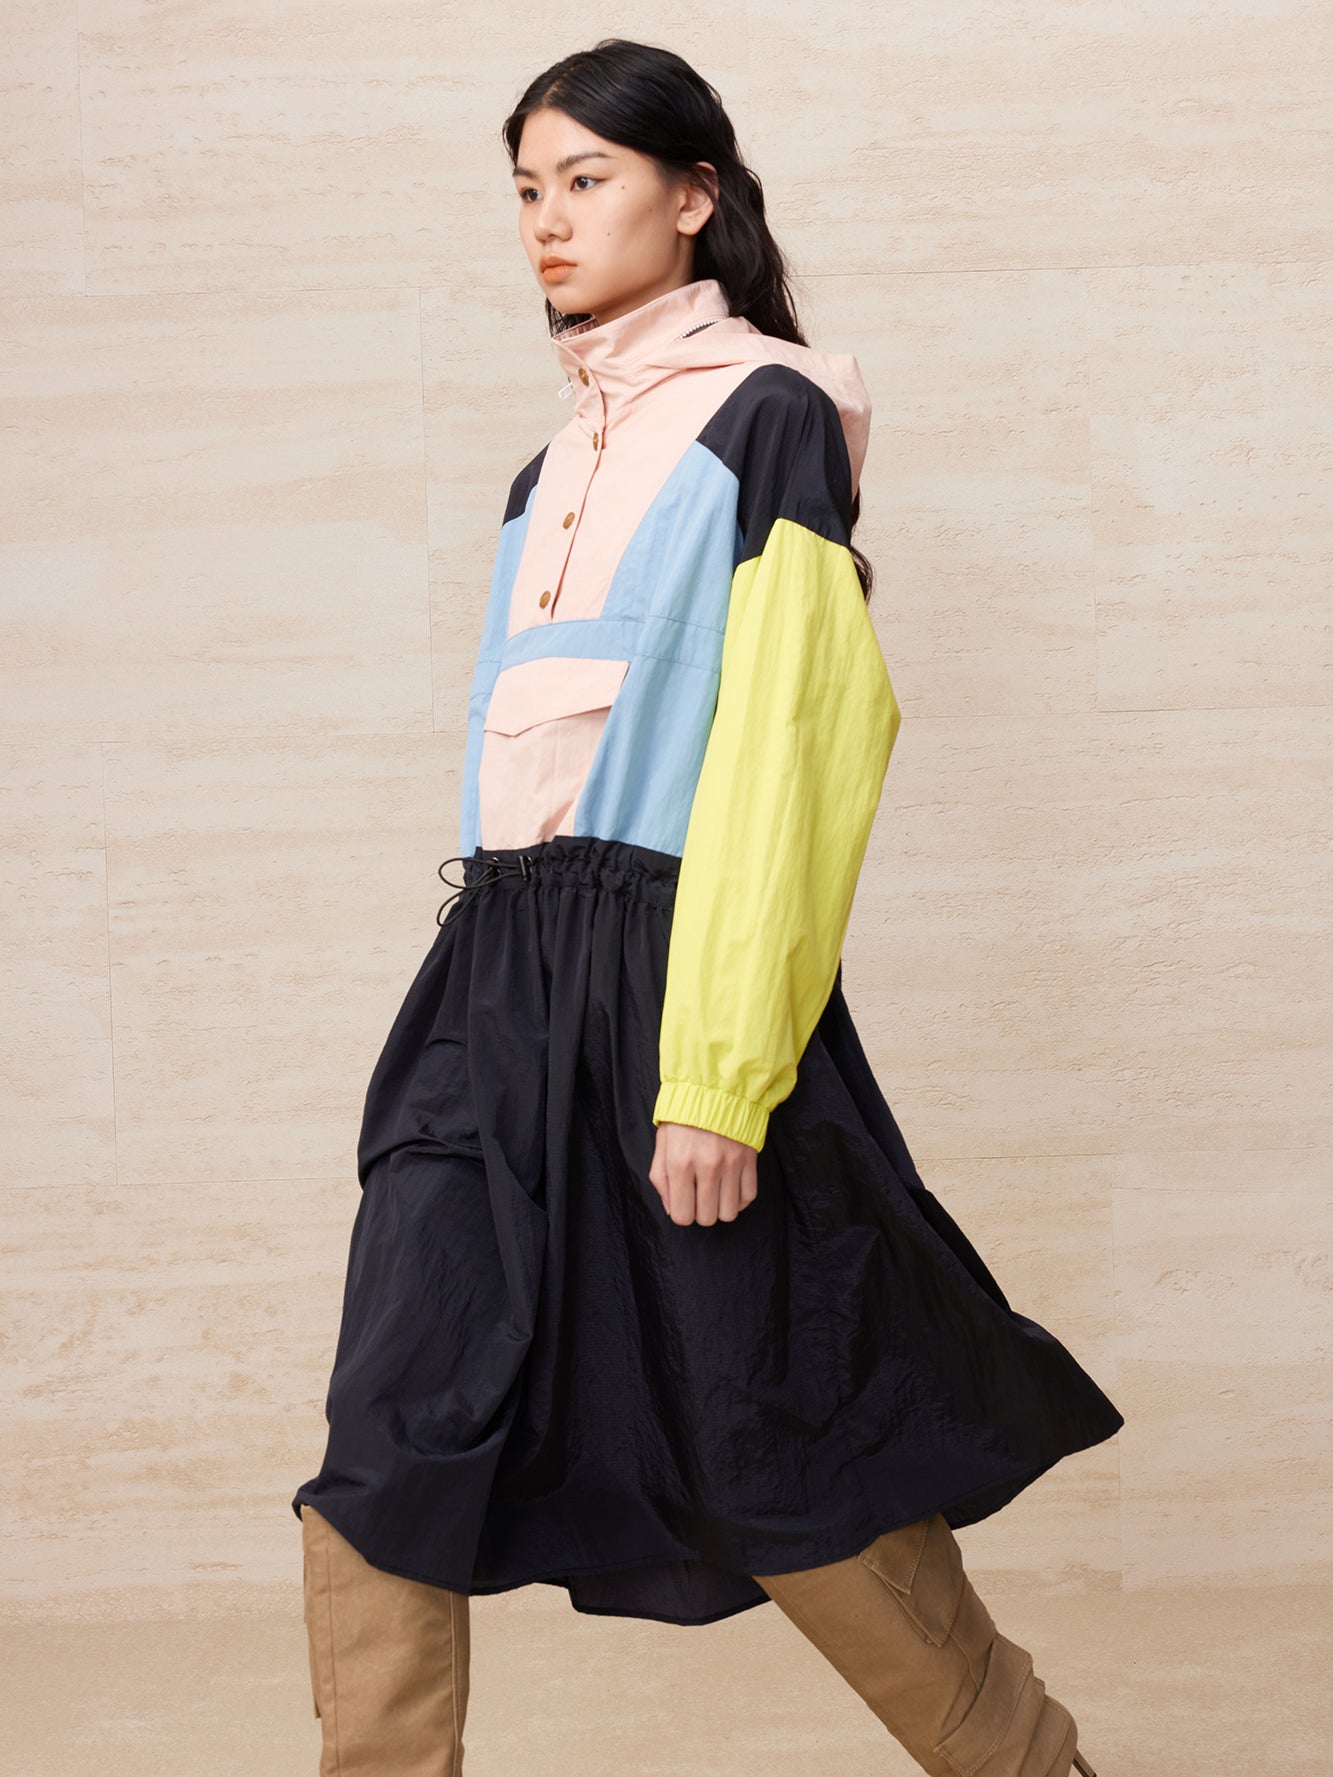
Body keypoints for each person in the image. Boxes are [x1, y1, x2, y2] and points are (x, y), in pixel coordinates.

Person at [291, 37, 1121, 1777]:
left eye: (585, 179)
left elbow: (793, 756)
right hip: (494, 972)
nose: (547, 219)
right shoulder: (541, 475)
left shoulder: (769, 415)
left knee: (776, 1434)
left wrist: (718, 1073)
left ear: (693, 196)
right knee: (391, 1421)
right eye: (527, 188)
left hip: (681, 972)